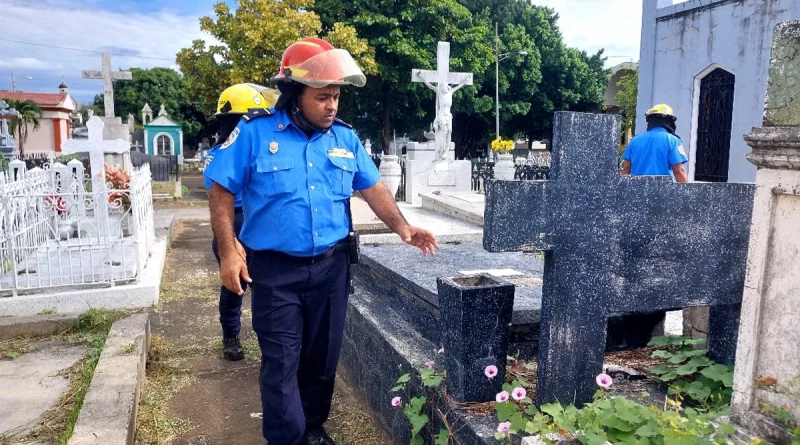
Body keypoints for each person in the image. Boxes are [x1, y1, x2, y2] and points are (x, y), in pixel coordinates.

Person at [203, 37, 438, 445]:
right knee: (281, 362)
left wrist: (403, 227)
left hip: (331, 268)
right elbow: (220, 188)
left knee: (321, 360)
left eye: (336, 97)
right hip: (275, 271)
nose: (332, 105)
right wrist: (228, 249)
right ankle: (287, 438)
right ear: (295, 94)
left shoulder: (344, 139)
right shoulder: (256, 133)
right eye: (322, 97)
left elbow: (374, 187)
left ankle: (312, 426)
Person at [204, 83, 279, 361]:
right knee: (235, 287)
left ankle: (271, 339)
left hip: (257, 221)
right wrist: (231, 243)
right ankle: (231, 337)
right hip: (232, 224)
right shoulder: (219, 154)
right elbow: (218, 203)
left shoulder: (261, 147)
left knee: (268, 288)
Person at [621, 104, 689, 183]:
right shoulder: (673, 141)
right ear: (670, 121)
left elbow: (626, 169)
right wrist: (686, 194)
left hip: (636, 190)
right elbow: (678, 170)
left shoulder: (634, 141)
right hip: (664, 191)